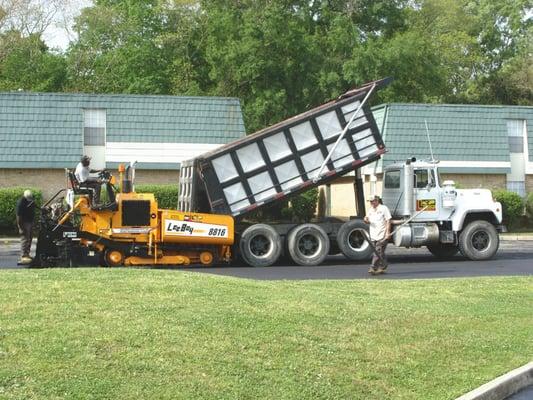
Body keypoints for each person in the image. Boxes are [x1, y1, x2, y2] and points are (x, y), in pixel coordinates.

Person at [363, 195, 392, 275]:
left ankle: (373, 267)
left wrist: (387, 232)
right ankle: (383, 265)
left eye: (372, 201)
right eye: (370, 201)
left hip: (382, 234)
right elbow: (367, 219)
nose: (371, 203)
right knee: (380, 252)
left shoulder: (383, 208)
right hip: (373, 234)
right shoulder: (371, 210)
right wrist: (366, 220)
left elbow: (388, 221)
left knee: (377, 251)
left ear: (377, 201)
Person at [16, 189, 36, 265]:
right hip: (23, 222)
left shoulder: (31, 200)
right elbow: (18, 217)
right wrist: (22, 228)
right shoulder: (20, 203)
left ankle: (27, 254)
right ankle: (23, 256)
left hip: (30, 221)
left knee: (29, 238)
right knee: (25, 239)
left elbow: (34, 207)